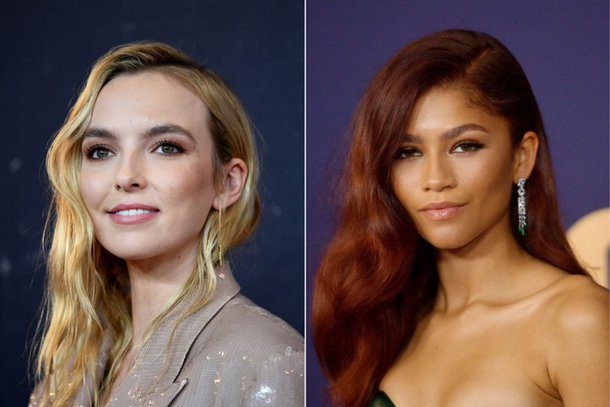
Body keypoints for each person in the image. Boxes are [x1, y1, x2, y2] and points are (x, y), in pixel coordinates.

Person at [312, 29, 608, 406]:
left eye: (465, 146)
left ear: (522, 157)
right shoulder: (386, 322)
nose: (435, 179)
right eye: (407, 152)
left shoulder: (578, 319)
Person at [29, 42, 303, 406]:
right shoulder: (70, 370)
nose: (126, 176)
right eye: (100, 151)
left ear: (227, 183)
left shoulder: (270, 364)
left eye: (166, 147)